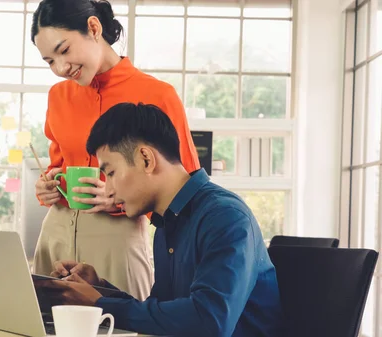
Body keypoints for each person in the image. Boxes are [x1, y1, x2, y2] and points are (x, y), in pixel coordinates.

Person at [37, 103, 285, 336]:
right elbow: (166, 314)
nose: (108, 189)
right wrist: (100, 289)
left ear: (146, 159)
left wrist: (100, 303)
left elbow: (209, 321)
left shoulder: (225, 217)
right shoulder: (168, 222)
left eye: (111, 173)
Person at [30, 0, 200, 300]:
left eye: (64, 50)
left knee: (122, 327)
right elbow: (57, 166)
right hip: (55, 234)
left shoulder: (157, 95)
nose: (60, 68)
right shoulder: (58, 96)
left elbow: (184, 192)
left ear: (93, 28)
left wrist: (123, 197)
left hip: (117, 238)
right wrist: (47, 187)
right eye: (49, 61)